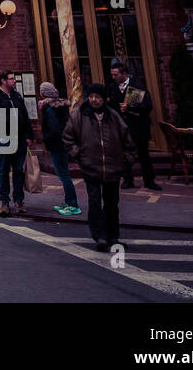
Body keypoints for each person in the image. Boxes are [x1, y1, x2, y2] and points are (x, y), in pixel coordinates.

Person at [63, 82, 137, 251]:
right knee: (95, 202)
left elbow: (128, 140)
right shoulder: (79, 115)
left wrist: (126, 160)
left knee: (112, 204)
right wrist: (78, 154)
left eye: (97, 97)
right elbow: (67, 138)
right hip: (91, 167)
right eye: (91, 97)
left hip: (113, 167)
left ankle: (113, 236)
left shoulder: (113, 116)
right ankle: (100, 237)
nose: (94, 100)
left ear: (105, 99)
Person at [0, 70, 34, 216]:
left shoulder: (16, 96)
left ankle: (19, 201)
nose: (14, 81)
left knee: (19, 170)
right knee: (4, 170)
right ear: (3, 81)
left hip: (20, 139)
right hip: (4, 138)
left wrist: (29, 136)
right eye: (11, 79)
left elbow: (24, 115)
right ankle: (4, 201)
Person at [106, 59, 161, 191]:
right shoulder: (111, 88)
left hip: (138, 126)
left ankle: (149, 180)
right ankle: (127, 179)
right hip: (121, 127)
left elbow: (147, 106)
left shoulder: (136, 87)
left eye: (116, 75)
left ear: (124, 74)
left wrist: (130, 106)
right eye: (112, 75)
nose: (113, 77)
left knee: (143, 154)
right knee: (124, 155)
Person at [38, 83, 80, 216]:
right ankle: (68, 202)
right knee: (64, 174)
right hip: (62, 144)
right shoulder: (58, 106)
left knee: (64, 176)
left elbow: (54, 129)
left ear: (44, 94)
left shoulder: (50, 109)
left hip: (57, 145)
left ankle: (73, 204)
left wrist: (47, 140)